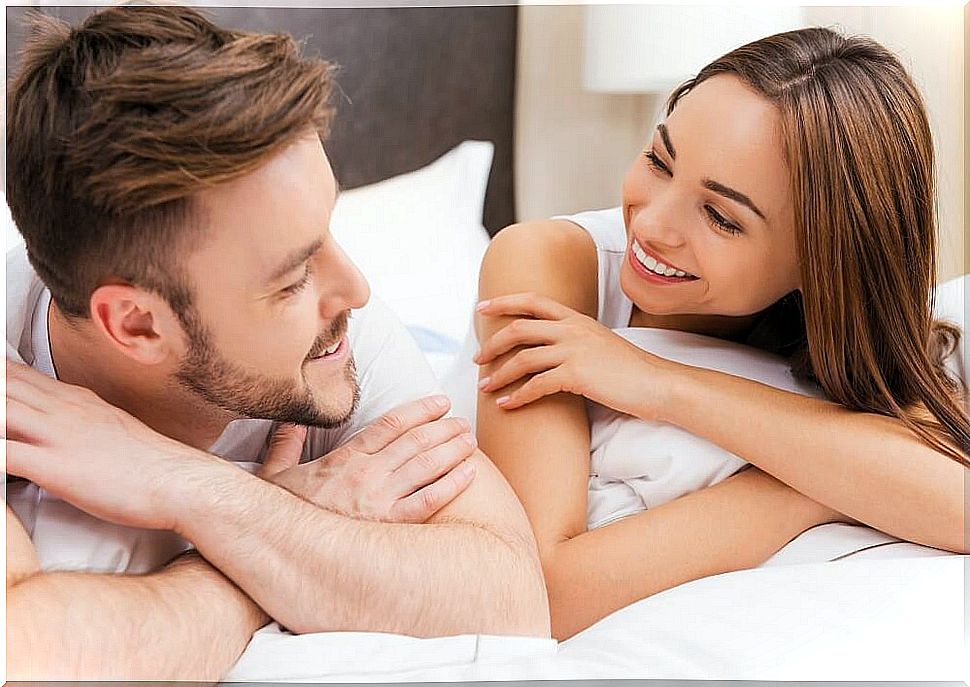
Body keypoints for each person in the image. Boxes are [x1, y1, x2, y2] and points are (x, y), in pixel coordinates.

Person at [4, 6, 549, 680]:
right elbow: (28, 654)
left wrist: (188, 487)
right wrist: (274, 542)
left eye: (330, 225)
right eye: (292, 279)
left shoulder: (333, 333)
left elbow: (509, 594)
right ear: (138, 325)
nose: (356, 287)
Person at [473, 27, 969, 640]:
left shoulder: (839, 331)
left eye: (720, 216)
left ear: (822, 260)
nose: (651, 225)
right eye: (660, 159)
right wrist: (813, 485)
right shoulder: (544, 265)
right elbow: (537, 592)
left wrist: (662, 384)